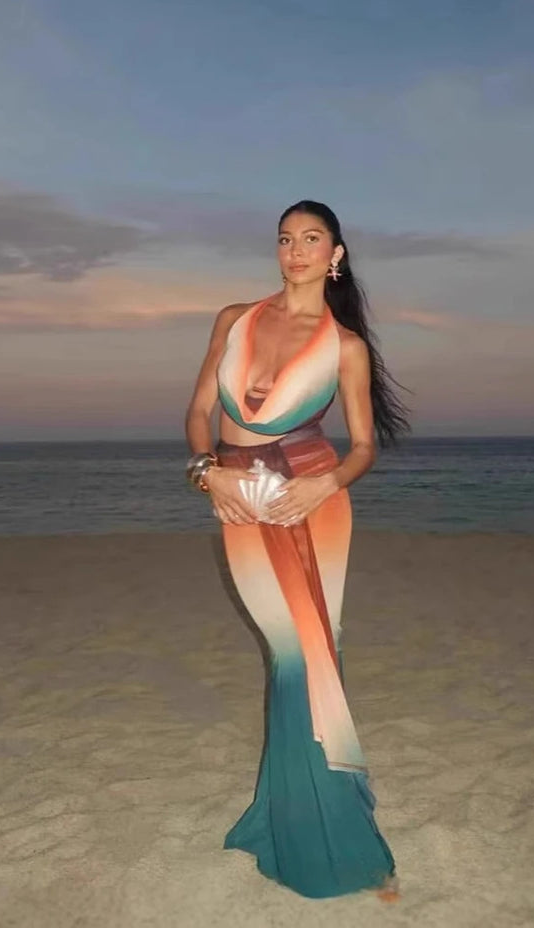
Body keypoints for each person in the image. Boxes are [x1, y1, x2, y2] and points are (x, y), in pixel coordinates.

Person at [184, 200, 410, 900]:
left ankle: (333, 839)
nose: (296, 250)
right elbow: (199, 414)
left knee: (306, 656)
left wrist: (327, 486)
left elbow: (365, 445)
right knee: (288, 654)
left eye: (311, 239)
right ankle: (290, 819)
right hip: (237, 496)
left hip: (311, 499)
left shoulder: (345, 346)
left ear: (336, 253)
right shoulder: (234, 319)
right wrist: (205, 471)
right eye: (286, 239)